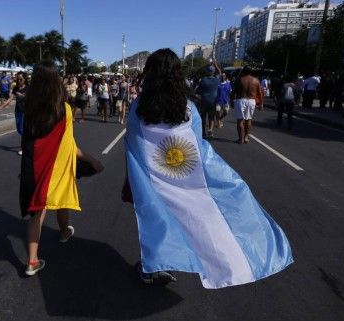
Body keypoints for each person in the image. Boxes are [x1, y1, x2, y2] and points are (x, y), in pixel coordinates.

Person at [123, 48, 293, 287]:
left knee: (153, 216)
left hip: (148, 175)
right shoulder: (188, 108)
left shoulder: (139, 107)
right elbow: (197, 144)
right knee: (180, 217)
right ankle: (167, 265)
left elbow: (132, 140)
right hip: (184, 174)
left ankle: (155, 265)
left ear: (149, 74)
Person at [19, 65, 104, 276]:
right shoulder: (64, 110)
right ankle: (64, 231)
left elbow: (27, 146)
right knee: (61, 197)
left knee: (37, 214)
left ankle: (32, 261)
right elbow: (70, 145)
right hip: (57, 169)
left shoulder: (28, 111)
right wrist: (92, 160)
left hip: (35, 171)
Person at [233, 66, 263, 144]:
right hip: (251, 101)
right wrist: (261, 104)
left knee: (240, 121)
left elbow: (234, 91)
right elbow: (259, 93)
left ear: (243, 71)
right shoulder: (256, 80)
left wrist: (231, 101)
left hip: (241, 100)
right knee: (248, 120)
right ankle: (246, 137)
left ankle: (241, 139)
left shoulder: (239, 79)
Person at [0, 71, 28, 155]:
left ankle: (22, 147)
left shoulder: (28, 87)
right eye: (17, 79)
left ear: (24, 79)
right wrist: (3, 105)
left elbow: (28, 96)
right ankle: (28, 140)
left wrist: (22, 95)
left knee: (22, 130)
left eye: (20, 79)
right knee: (19, 130)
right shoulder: (16, 87)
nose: (18, 81)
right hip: (17, 110)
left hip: (25, 111)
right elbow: (10, 98)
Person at [197, 65, 220, 139]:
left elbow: (198, 91)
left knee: (203, 117)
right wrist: (216, 64)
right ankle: (210, 130)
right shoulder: (217, 80)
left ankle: (203, 132)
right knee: (211, 118)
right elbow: (220, 73)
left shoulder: (203, 80)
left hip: (204, 101)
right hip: (213, 101)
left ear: (207, 71)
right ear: (213, 72)